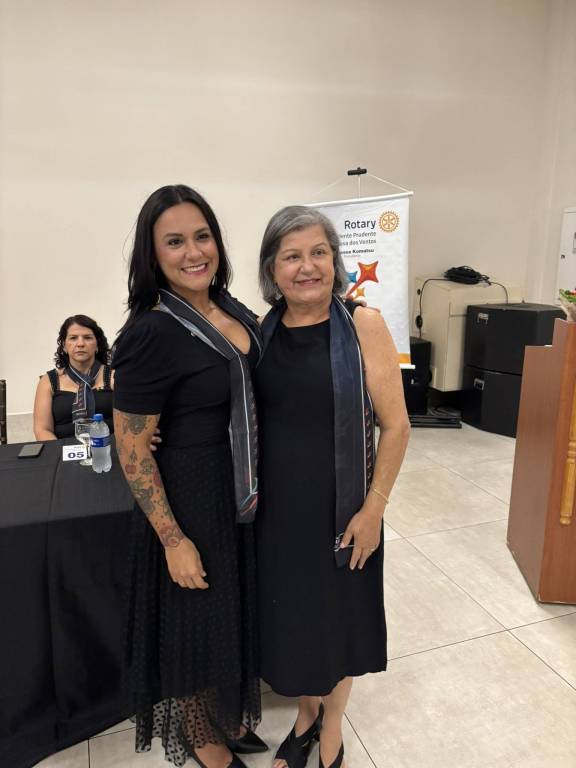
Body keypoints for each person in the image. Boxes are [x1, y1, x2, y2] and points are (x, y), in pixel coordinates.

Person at [112, 185, 265, 768]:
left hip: (241, 489)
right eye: (174, 242)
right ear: (153, 255)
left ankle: (225, 717)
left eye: (202, 236)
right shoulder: (150, 332)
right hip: (191, 498)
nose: (193, 252)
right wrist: (173, 539)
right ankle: (203, 740)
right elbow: (132, 451)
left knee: (229, 615)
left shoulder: (231, 307)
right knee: (197, 623)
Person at [255, 206, 410, 768]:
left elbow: (397, 425)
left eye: (318, 252)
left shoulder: (362, 324)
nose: (307, 267)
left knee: (339, 622)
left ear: (335, 260)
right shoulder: (262, 331)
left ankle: (332, 728)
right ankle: (305, 716)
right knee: (299, 621)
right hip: (280, 514)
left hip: (344, 509)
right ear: (273, 270)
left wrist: (374, 510)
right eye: (291, 256)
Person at [34, 314, 114, 440]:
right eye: (73, 338)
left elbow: (128, 422)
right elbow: (42, 430)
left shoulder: (114, 376)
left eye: (87, 337)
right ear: (64, 346)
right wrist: (60, 451)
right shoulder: (48, 381)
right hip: (62, 449)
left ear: (97, 345)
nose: (80, 343)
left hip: (107, 447)